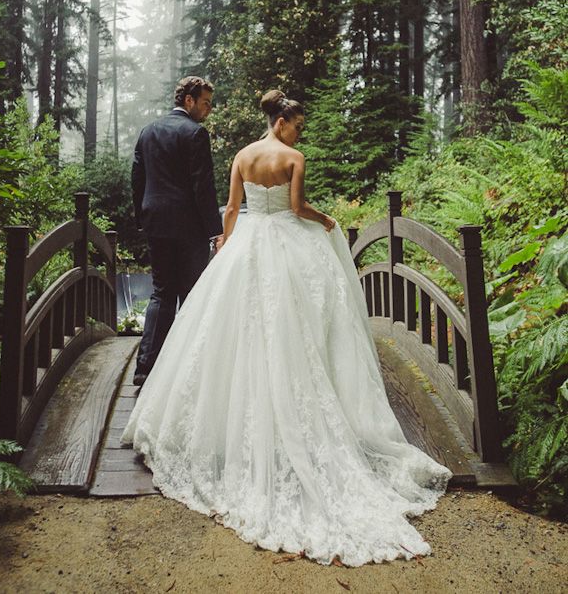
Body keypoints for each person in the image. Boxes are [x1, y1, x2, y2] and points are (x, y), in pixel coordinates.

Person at [122, 89, 452, 566]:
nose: (300, 132)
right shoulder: (291, 157)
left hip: (248, 242)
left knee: (231, 324)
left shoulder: (241, 154)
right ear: (281, 121)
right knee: (289, 318)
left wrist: (226, 247)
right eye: (297, 124)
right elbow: (297, 208)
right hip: (282, 243)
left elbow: (232, 209)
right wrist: (327, 220)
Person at [131, 75, 223, 387]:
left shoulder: (148, 131)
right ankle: (186, 370)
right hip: (189, 227)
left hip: (156, 221)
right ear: (189, 100)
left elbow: (137, 178)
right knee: (191, 294)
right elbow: (202, 187)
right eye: (206, 103)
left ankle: (145, 368)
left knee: (161, 292)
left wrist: (141, 217)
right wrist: (215, 230)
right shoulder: (195, 133)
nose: (208, 109)